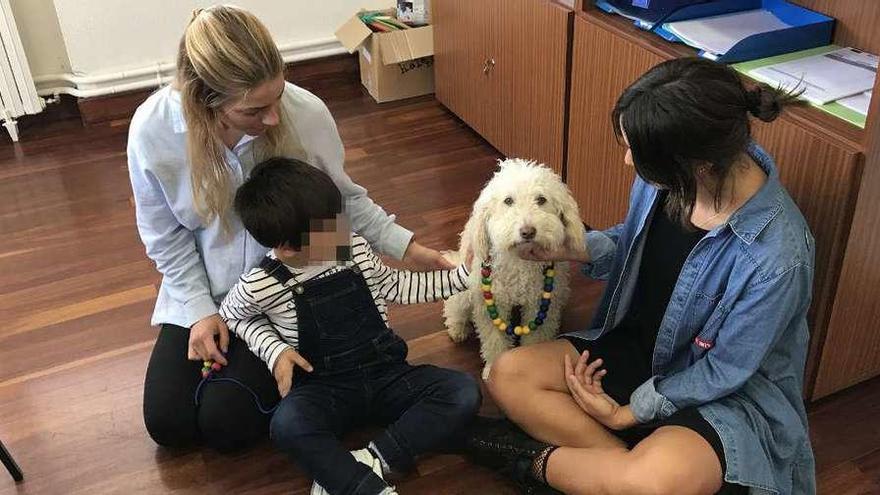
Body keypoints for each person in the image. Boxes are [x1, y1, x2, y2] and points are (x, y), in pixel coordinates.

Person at [465, 58, 816, 495]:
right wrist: (573, 249)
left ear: (696, 165)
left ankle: (528, 461)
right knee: (505, 374)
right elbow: (629, 244)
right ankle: (615, 474)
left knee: (651, 483)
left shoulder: (779, 255)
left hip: (721, 394)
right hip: (637, 348)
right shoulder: (667, 179)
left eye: (637, 151)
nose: (629, 160)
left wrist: (627, 414)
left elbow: (724, 370)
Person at [127, 5, 451, 452]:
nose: (275, 118)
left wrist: (407, 247)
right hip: (208, 292)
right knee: (169, 424)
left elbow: (343, 201)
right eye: (254, 111)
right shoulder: (152, 131)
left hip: (293, 291)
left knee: (226, 425)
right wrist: (201, 310)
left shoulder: (306, 112)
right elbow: (165, 237)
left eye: (278, 95)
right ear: (206, 101)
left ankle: (314, 382)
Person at [219, 157, 481, 495]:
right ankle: (366, 488)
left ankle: (373, 459)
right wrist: (276, 351)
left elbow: (395, 286)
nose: (338, 234)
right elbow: (233, 314)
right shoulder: (260, 283)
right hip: (323, 387)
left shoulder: (351, 246)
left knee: (462, 391)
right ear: (285, 247)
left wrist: (460, 277)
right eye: (324, 231)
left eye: (335, 221)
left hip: (386, 372)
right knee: (287, 424)